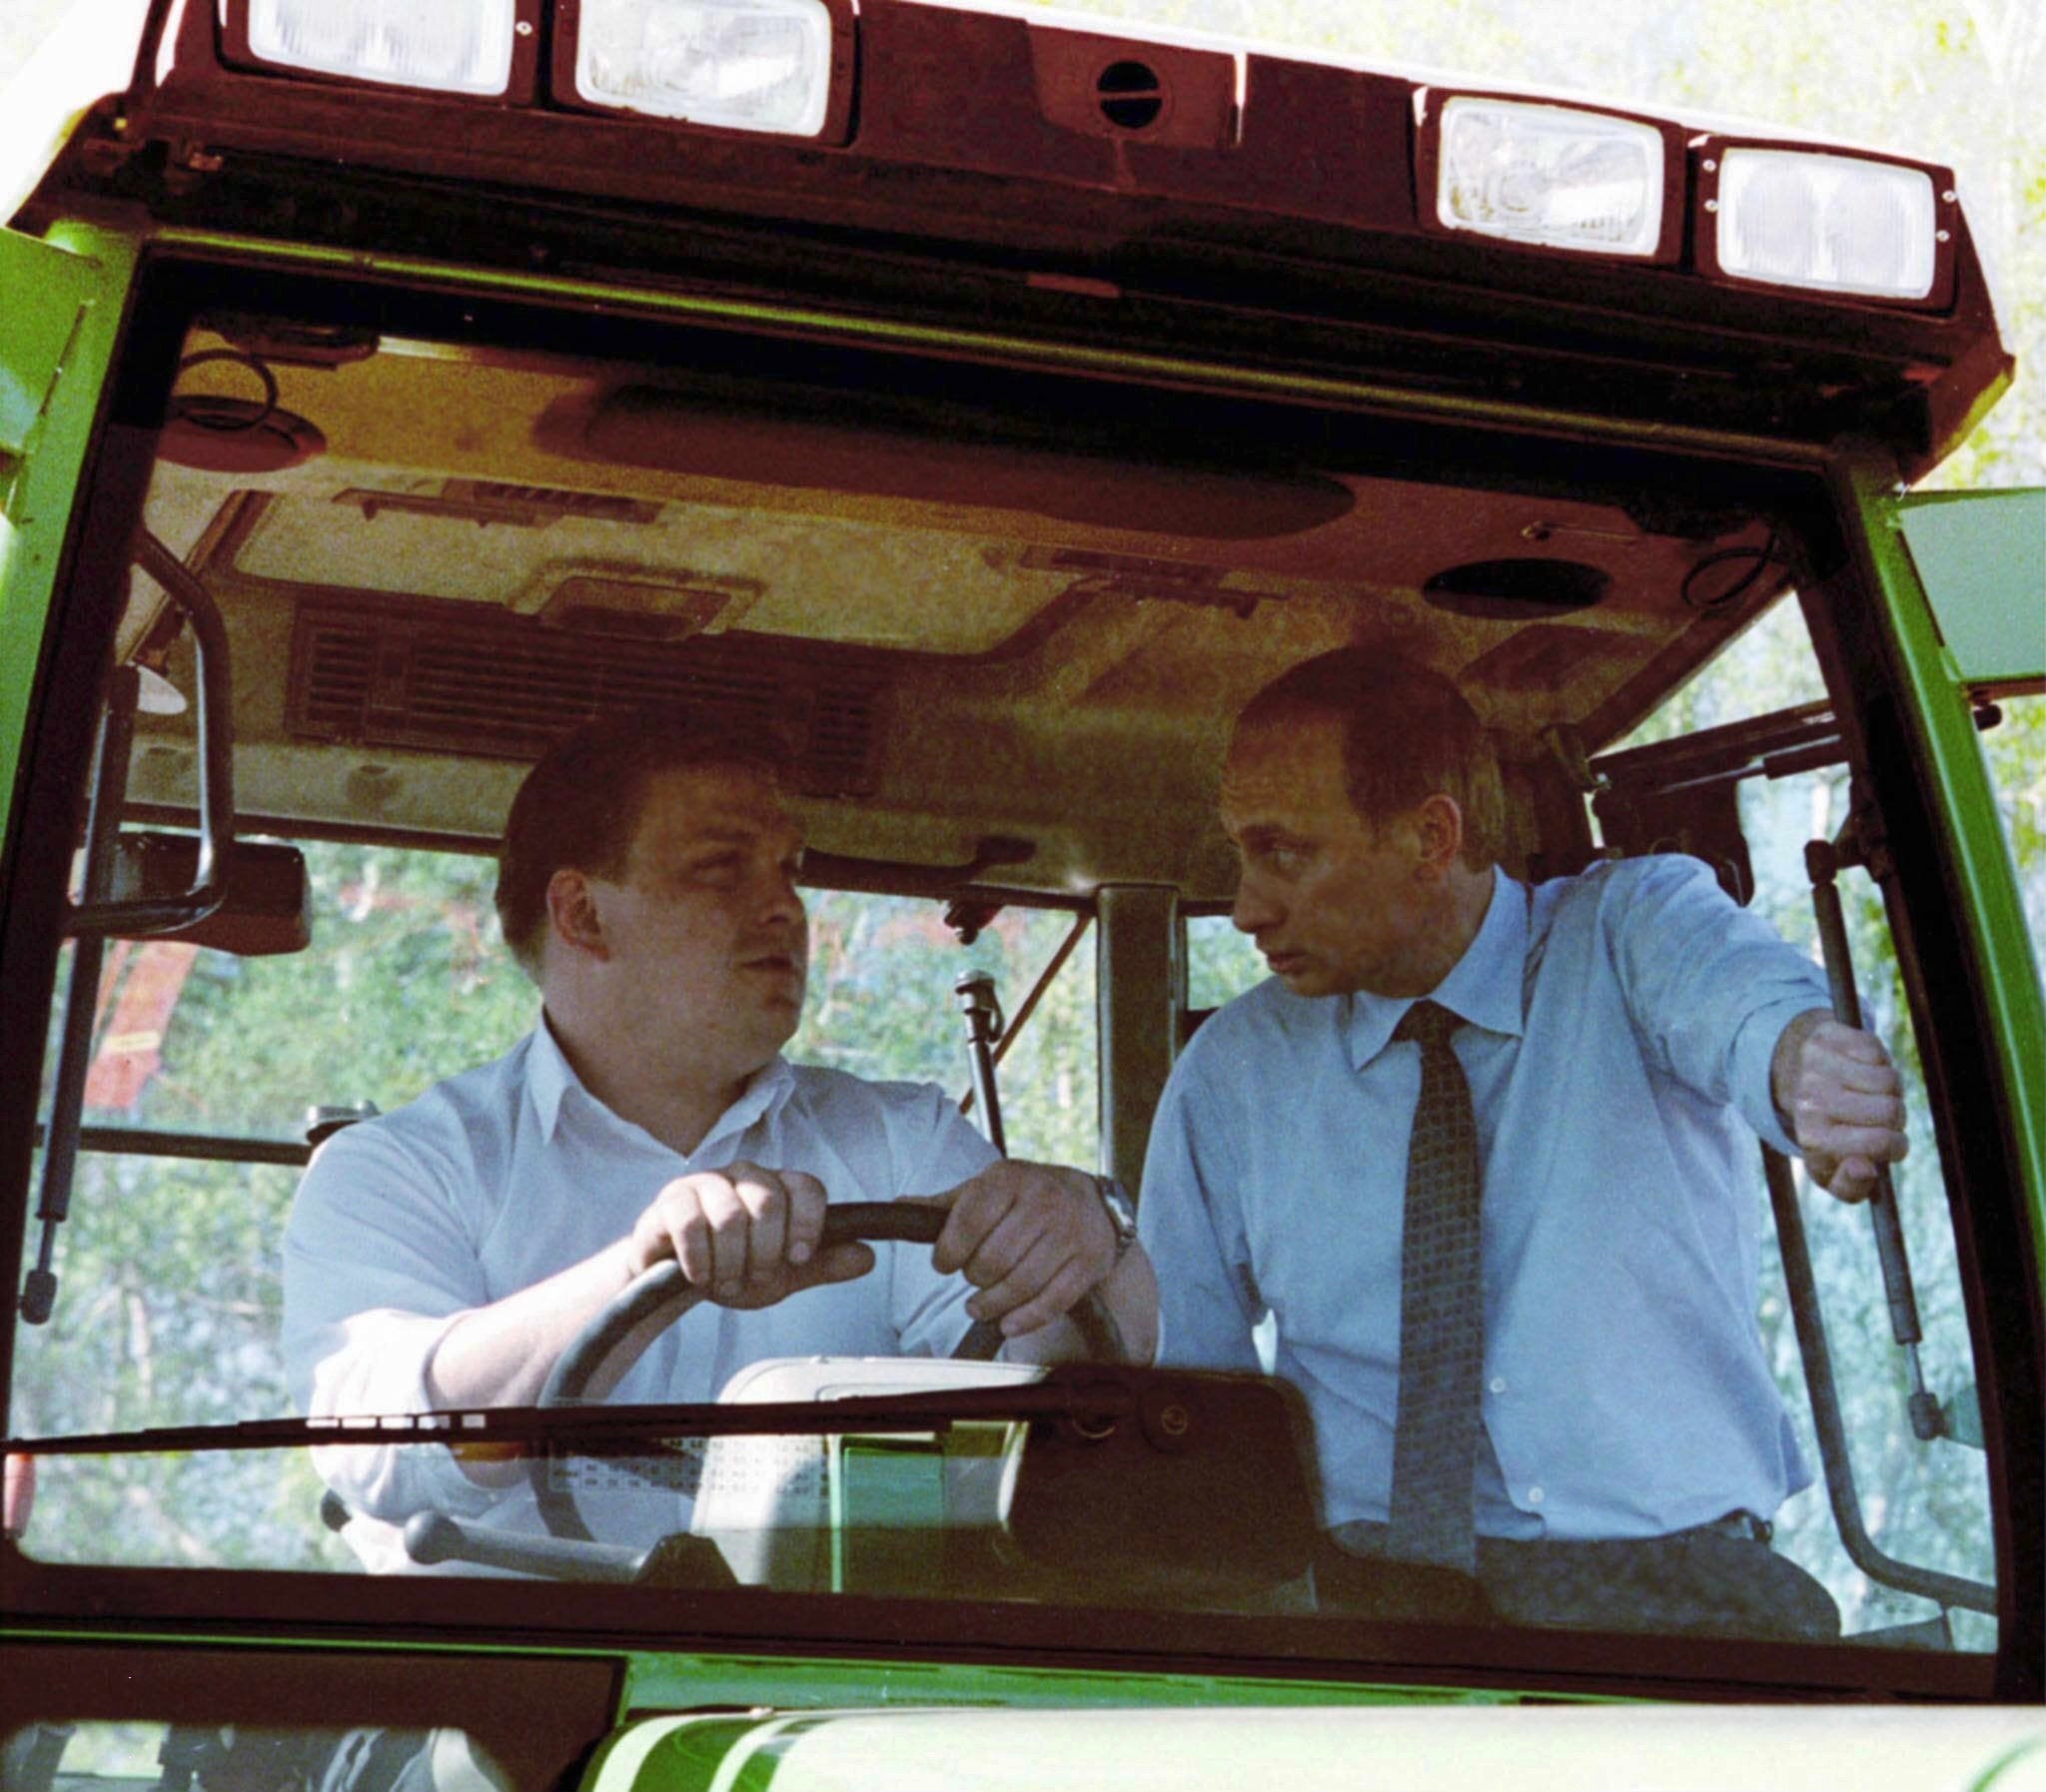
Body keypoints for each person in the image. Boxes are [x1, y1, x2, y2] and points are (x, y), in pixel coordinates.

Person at [1138, 647, 1909, 1637]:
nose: (1246, 907)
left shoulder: (1632, 931)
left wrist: (1803, 1068)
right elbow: (1186, 1385)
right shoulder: (1232, 1071)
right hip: (1368, 1597)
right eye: (1241, 857)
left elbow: (1747, 1011)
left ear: (1428, 836)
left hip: (1669, 1589)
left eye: (1282, 853)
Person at [284, 709, 1157, 1571]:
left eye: (788, 871)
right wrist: (636, 1274)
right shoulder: (402, 1169)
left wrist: (1089, 1233)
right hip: (526, 1689)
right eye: (721, 871)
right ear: (582, 914)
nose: (785, 909)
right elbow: (372, 1447)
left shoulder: (906, 1142)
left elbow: (1040, 1408)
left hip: (841, 1683)